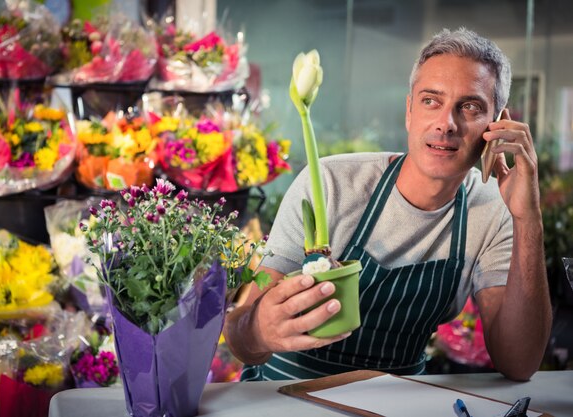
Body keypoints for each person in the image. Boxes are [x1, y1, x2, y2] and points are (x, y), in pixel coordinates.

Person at [223, 27, 552, 382]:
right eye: (431, 101)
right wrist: (258, 330)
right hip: (286, 394)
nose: (446, 124)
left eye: (470, 107)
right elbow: (240, 339)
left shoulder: (491, 209)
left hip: (397, 402)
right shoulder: (332, 183)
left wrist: (528, 218)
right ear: (409, 111)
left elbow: (519, 362)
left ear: (498, 124)